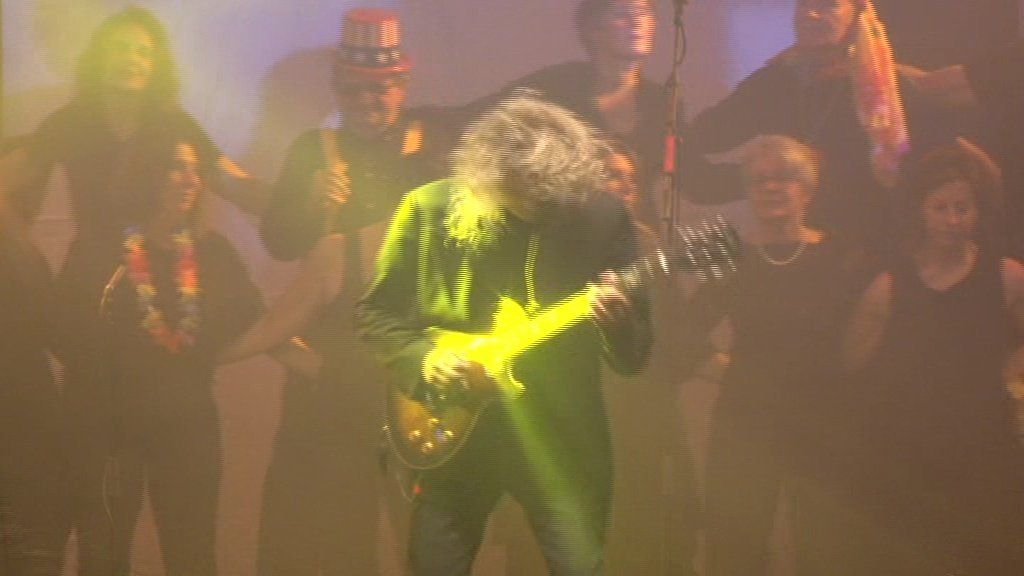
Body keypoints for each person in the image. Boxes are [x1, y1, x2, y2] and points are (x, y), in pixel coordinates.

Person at [355, 95, 652, 575]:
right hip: (452, 430)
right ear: (486, 177)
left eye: (548, 201)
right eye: (520, 197)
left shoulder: (601, 217)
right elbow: (375, 313)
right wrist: (424, 359)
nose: (534, 211)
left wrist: (618, 324)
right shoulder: (429, 208)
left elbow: (634, 356)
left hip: (562, 437)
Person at [252, 8, 452, 574]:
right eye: (357, 89)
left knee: (423, 524)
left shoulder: (427, 151)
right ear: (338, 89)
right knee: (328, 522)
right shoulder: (313, 150)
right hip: (331, 359)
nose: (369, 101)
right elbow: (278, 242)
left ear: (401, 88)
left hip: (407, 362)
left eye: (381, 89)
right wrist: (310, 203)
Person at [71, 132, 262, 576]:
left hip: (188, 428)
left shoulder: (212, 253)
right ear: (148, 173)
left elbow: (256, 323)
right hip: (111, 429)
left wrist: (322, 364)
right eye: (178, 167)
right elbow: (68, 330)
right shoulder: (101, 249)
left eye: (196, 170)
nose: (191, 180)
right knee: (103, 555)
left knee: (192, 556)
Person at [682, 135, 872, 575]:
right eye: (759, 179)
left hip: (824, 419)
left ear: (808, 188)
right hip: (747, 420)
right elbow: (682, 335)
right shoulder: (734, 258)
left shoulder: (842, 255)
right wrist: (733, 371)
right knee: (736, 542)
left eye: (784, 177)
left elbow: (874, 331)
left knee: (826, 546)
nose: (770, 187)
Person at [843, 140, 1024, 575]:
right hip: (909, 453)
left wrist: (1014, 377)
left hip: (985, 451)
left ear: (978, 212)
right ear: (921, 212)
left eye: (963, 208)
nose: (953, 220)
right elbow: (852, 366)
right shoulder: (890, 286)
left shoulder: (1006, 276)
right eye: (941, 208)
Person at [685, 0, 949, 255]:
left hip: (870, 245)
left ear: (857, 14)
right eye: (804, 3)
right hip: (791, 246)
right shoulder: (775, 81)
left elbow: (926, 175)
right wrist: (767, 179)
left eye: (827, 4)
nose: (810, 14)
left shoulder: (891, 87)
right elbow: (704, 137)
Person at [0, 162, 67, 575]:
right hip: (29, 436)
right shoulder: (24, 258)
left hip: (30, 438)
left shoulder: (25, 258)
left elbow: (58, 333)